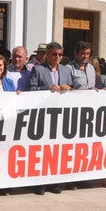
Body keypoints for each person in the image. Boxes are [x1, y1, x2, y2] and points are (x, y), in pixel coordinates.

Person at [28, 42, 72, 195]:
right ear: (47, 54)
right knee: (41, 150)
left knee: (57, 149)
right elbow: (31, 89)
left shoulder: (66, 70)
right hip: (43, 116)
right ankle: (39, 183)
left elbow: (73, 90)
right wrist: (48, 89)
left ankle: (55, 181)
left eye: (60, 55)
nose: (57, 57)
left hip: (61, 116)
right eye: (54, 54)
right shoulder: (38, 69)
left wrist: (69, 88)